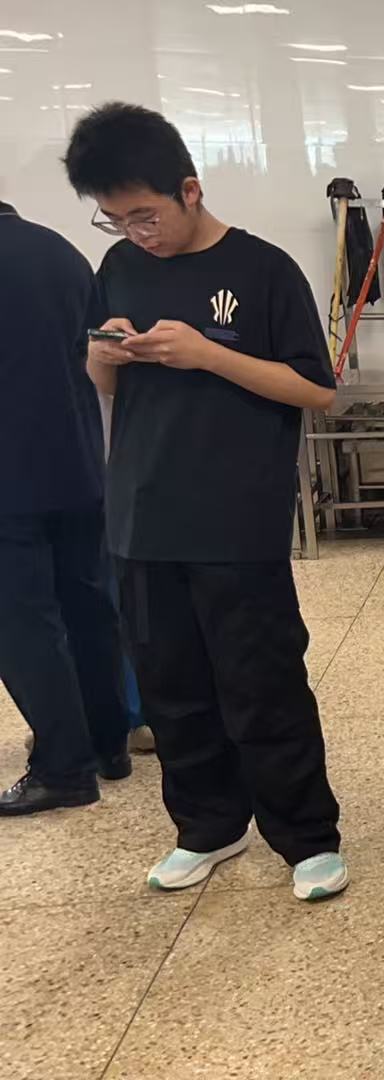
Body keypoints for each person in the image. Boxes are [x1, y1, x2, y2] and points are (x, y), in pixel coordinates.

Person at [63, 103, 347, 899]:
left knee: (262, 684)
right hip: (140, 516)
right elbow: (100, 381)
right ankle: (208, 826)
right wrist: (107, 354)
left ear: (189, 189)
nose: (134, 232)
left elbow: (317, 390)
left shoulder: (262, 271)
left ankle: (307, 838)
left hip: (234, 519)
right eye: (115, 219)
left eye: (144, 214)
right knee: (173, 690)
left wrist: (206, 354)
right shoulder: (119, 266)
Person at [0, 198, 133, 815]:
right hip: (77, 464)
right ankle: (110, 743)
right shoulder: (60, 252)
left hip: (9, 477)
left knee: (23, 623)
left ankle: (63, 767)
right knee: (88, 608)